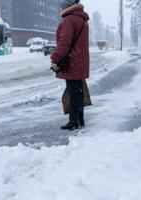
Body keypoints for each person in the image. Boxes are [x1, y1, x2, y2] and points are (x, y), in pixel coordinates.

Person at [50, 0, 90, 130]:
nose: (60, 8)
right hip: (80, 60)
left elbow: (64, 43)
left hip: (71, 61)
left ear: (67, 6)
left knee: (73, 92)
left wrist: (55, 58)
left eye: (61, 6)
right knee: (78, 91)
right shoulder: (82, 20)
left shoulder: (69, 20)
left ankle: (73, 121)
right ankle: (80, 118)